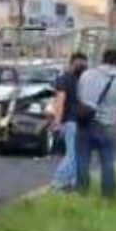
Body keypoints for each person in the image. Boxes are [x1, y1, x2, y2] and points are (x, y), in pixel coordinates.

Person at [75, 49, 116, 199]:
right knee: (107, 160)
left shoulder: (87, 74)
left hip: (85, 122)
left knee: (82, 158)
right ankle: (108, 195)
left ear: (103, 59)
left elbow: (80, 96)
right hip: (107, 124)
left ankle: (81, 192)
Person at [50, 52, 89, 191]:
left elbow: (59, 101)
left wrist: (57, 121)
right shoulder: (86, 80)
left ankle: (65, 183)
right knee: (75, 154)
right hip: (81, 122)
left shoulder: (64, 78)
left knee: (73, 154)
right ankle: (63, 182)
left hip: (71, 121)